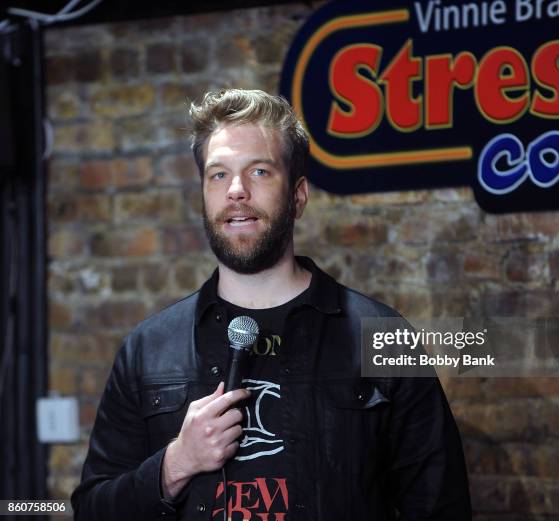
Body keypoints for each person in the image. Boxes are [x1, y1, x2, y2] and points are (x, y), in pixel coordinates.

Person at [72, 89, 472, 520]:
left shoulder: (380, 337)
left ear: (298, 196)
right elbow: (92, 509)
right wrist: (175, 464)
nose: (236, 192)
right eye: (218, 175)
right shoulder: (149, 349)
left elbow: (440, 507)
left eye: (259, 172)